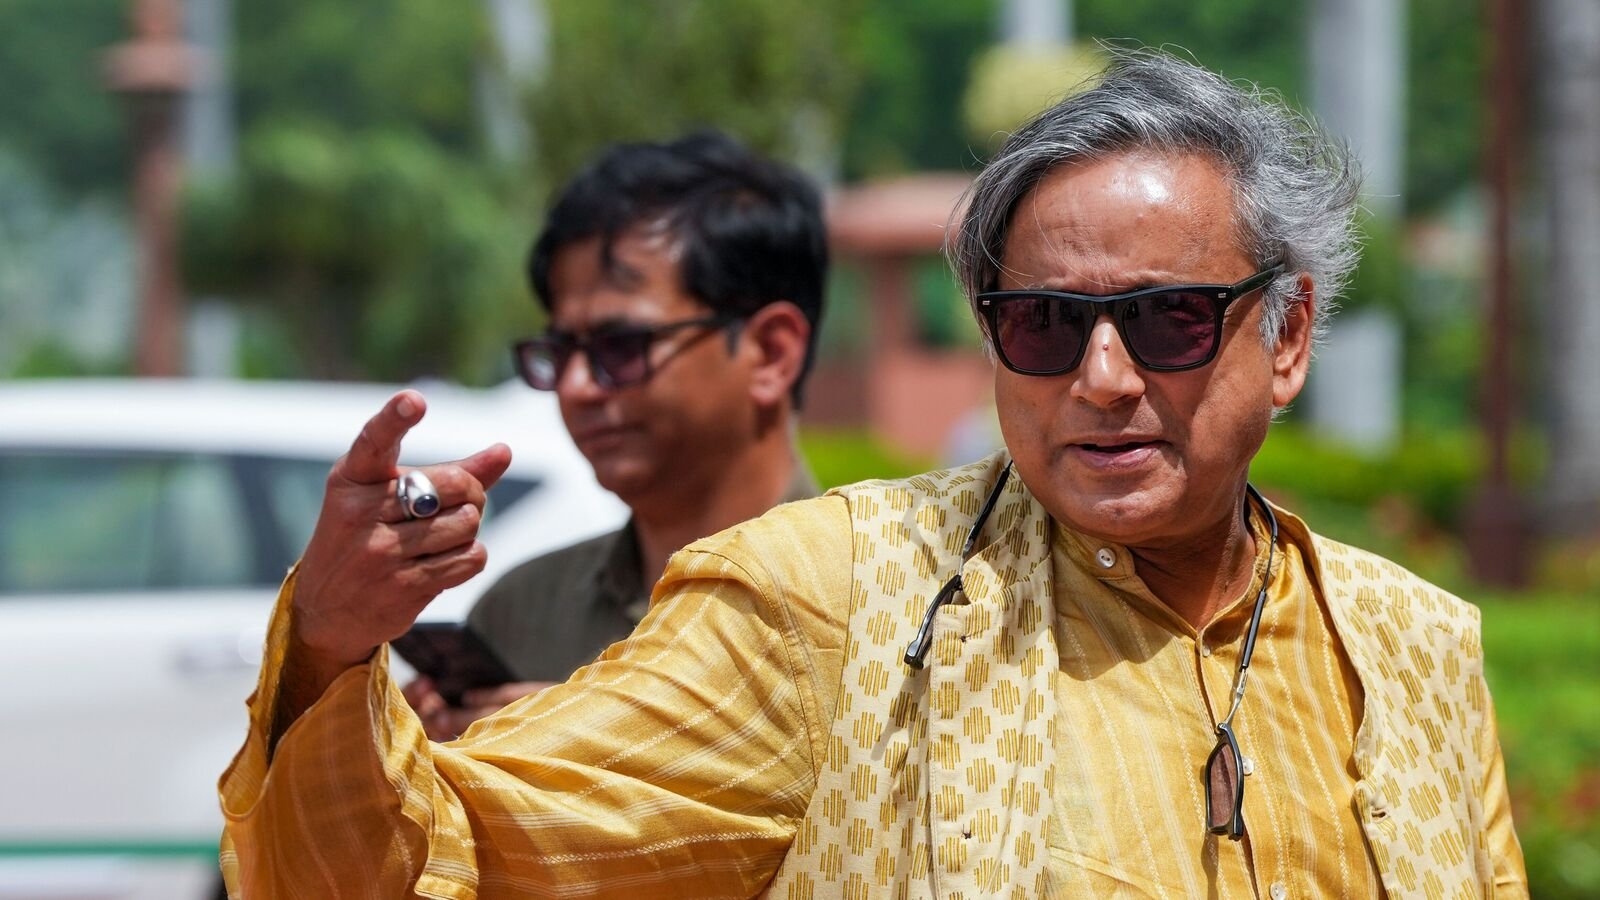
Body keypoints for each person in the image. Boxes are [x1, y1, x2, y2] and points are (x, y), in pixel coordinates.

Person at [219, 51, 1527, 897]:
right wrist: (334, 648)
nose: (1106, 378)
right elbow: (446, 855)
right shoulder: (829, 603)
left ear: (1287, 335)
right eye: (1045, 326)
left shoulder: (1411, 647)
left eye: (1173, 319)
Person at [400, 132, 824, 739]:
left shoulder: (877, 604)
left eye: (620, 347)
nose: (575, 386)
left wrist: (585, 750)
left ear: (770, 352)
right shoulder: (522, 611)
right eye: (561, 350)